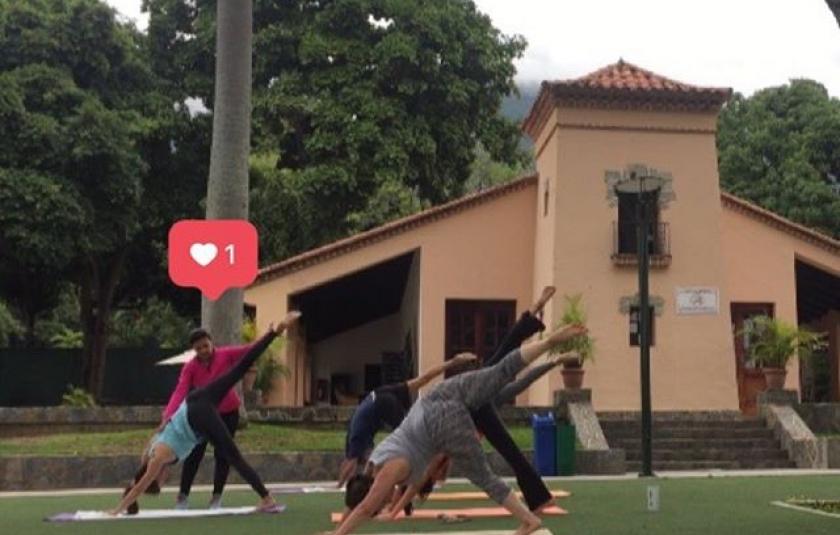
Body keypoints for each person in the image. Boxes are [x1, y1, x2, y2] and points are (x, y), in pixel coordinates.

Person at [332, 323, 588, 535]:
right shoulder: (372, 465)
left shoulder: (387, 472)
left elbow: (365, 507)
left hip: (438, 424)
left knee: (484, 477)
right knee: (498, 372)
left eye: (382, 501)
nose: (384, 502)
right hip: (435, 397)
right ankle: (548, 342)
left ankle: (529, 520)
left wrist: (340, 534)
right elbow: (361, 496)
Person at [109, 311, 302, 516]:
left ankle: (267, 499)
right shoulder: (147, 453)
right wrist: (166, 418)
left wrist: (116, 510)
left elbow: (139, 486)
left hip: (198, 414)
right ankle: (277, 330)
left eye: (161, 482)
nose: (164, 480)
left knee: (233, 456)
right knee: (239, 371)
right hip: (198, 400)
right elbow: (136, 482)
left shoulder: (156, 461)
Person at [336, 352, 478, 488]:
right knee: (371, 455)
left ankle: (347, 486)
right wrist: (453, 362)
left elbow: (351, 460)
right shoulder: (394, 392)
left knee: (360, 457)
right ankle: (430, 469)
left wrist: (453, 362)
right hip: (375, 406)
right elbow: (426, 377)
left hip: (372, 408)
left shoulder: (360, 427)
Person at [160, 327, 258, 510]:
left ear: (211, 342)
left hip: (228, 413)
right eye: (198, 349)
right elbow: (180, 391)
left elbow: (249, 350)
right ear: (193, 350)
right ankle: (183, 497)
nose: (204, 351)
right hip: (202, 417)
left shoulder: (225, 354)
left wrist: (271, 334)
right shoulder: (190, 367)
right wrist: (168, 415)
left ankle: (216, 497)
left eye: (206, 346)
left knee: (223, 455)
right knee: (194, 453)